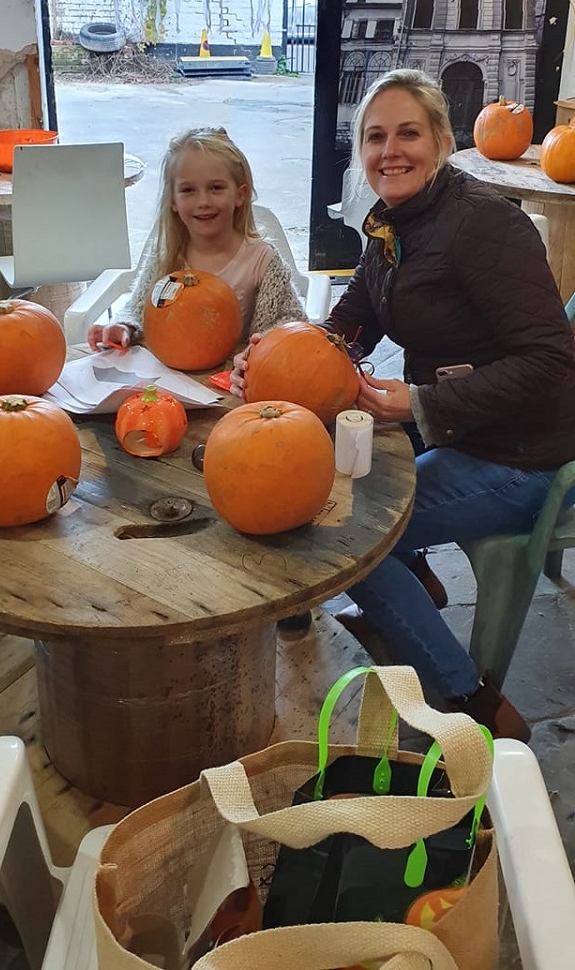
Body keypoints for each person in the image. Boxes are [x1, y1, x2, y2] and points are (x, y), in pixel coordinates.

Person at [232, 68, 575, 740]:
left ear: (442, 139)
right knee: (322, 472)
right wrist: (275, 353)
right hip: (463, 425)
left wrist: (420, 403)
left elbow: (551, 361)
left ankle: (470, 698)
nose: (391, 150)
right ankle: (413, 582)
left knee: (344, 532)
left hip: (526, 455)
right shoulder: (394, 223)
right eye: (375, 136)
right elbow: (352, 322)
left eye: (408, 133)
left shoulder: (485, 226)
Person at [88, 126, 306, 353]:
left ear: (240, 194)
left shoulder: (262, 260)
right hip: (168, 374)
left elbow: (291, 321)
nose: (203, 201)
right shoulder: (167, 253)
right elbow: (137, 310)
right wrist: (123, 327)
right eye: (189, 190)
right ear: (173, 200)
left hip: (234, 378)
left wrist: (262, 346)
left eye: (216, 188)